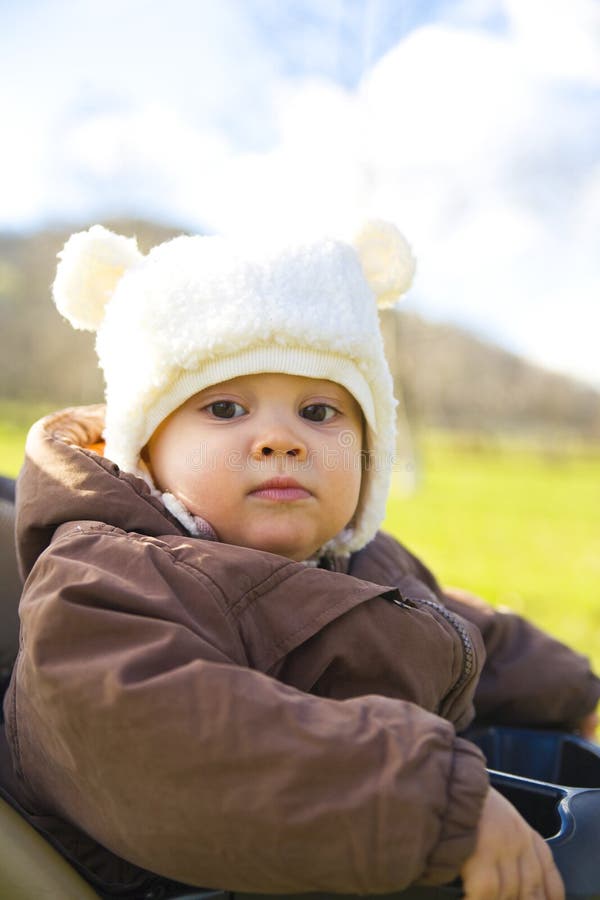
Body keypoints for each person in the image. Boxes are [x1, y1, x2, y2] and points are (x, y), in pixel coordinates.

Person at [3, 221, 598, 899]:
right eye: (225, 408)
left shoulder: (365, 561)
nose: (280, 439)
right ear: (145, 449)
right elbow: (159, 735)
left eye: (319, 410)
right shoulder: (105, 576)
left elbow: (456, 628)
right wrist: (431, 801)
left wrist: (566, 687)